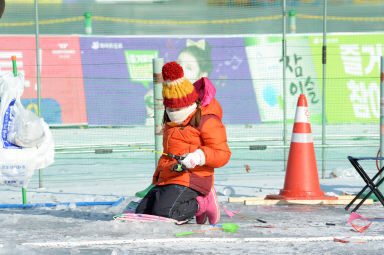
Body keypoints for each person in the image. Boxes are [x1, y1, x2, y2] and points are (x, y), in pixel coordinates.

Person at [135, 61, 231, 225]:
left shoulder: (207, 121)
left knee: (166, 213)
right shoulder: (171, 124)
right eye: (170, 110)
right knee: (144, 212)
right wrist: (157, 179)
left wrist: (198, 157)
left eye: (177, 110)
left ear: (191, 104)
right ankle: (178, 206)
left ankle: (202, 203)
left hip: (194, 178)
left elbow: (223, 154)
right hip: (170, 178)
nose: (173, 114)